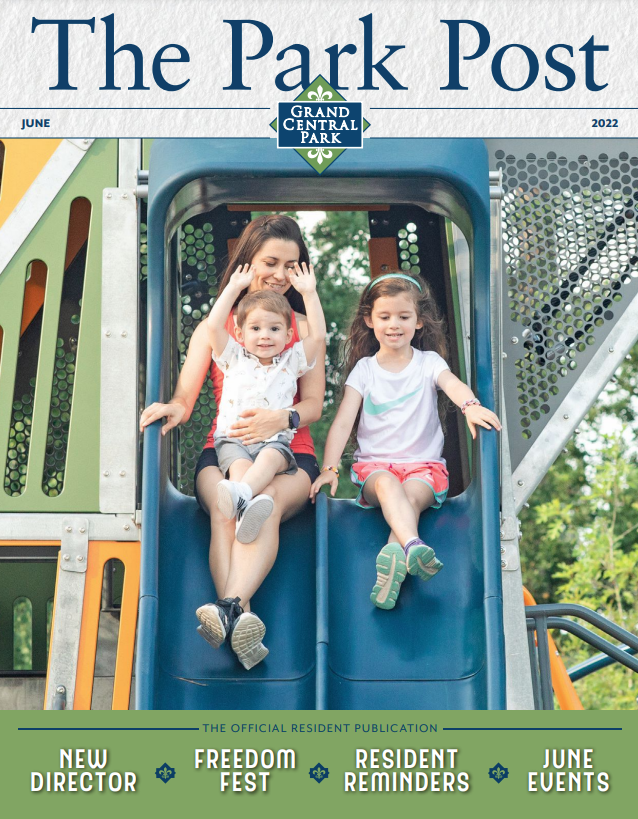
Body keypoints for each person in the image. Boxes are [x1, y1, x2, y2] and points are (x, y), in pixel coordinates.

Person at [140, 215, 325, 670]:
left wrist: (283, 416)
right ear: (249, 262)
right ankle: (238, 616)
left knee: (264, 506)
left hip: (290, 456)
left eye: (291, 264)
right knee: (227, 510)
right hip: (223, 451)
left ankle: (227, 608)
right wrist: (172, 409)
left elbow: (317, 403)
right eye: (271, 262)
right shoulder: (221, 329)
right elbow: (186, 396)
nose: (280, 274)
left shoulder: (298, 328)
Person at [310, 272, 501, 611]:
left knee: (411, 498)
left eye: (404, 316)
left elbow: (452, 384)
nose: (394, 324)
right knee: (387, 487)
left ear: (419, 322)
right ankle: (413, 543)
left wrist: (470, 406)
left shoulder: (428, 363)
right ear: (370, 320)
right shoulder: (365, 370)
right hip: (375, 468)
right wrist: (329, 468)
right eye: (385, 317)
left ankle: (394, 560)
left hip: (423, 468)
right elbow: (342, 423)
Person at [207, 261, 326, 544]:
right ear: (240, 334)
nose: (264, 336)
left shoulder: (291, 360)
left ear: (288, 336)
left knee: (272, 458)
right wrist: (234, 287)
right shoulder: (232, 357)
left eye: (274, 329)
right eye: (256, 328)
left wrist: (310, 293)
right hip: (234, 439)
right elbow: (213, 324)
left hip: (274, 441)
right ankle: (245, 506)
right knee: (239, 469)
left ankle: (243, 498)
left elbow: (318, 336)